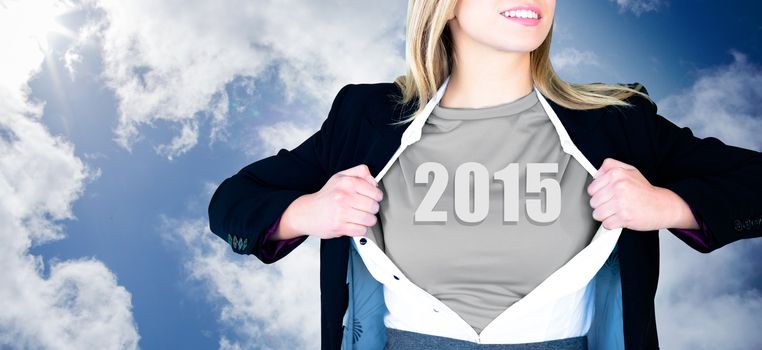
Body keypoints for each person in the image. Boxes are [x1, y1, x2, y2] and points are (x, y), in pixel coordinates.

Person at [207, 0, 762, 349]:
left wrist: (669, 206)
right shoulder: (364, 117)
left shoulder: (620, 120)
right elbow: (232, 201)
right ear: (444, 5)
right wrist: (309, 212)